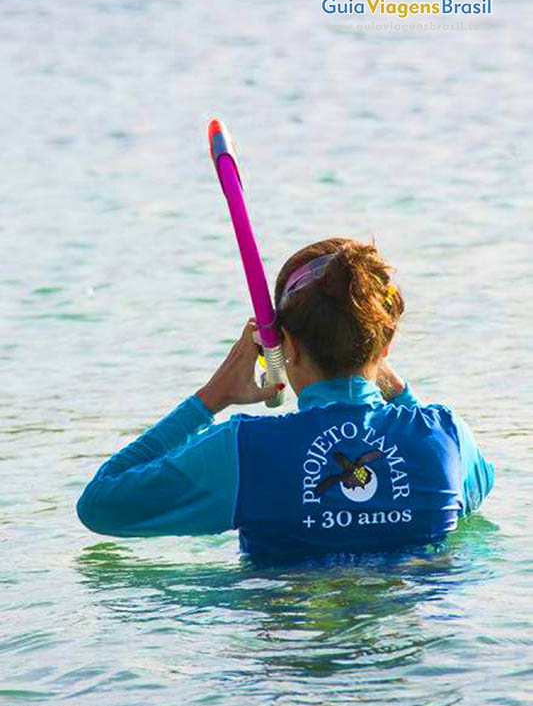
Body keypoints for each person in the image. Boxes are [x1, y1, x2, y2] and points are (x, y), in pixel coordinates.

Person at [76, 238, 494, 560]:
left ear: (284, 346)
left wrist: (211, 398)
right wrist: (392, 383)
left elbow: (99, 505)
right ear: (385, 345)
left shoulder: (244, 449)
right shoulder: (446, 437)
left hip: (291, 651)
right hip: (408, 654)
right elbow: (480, 487)